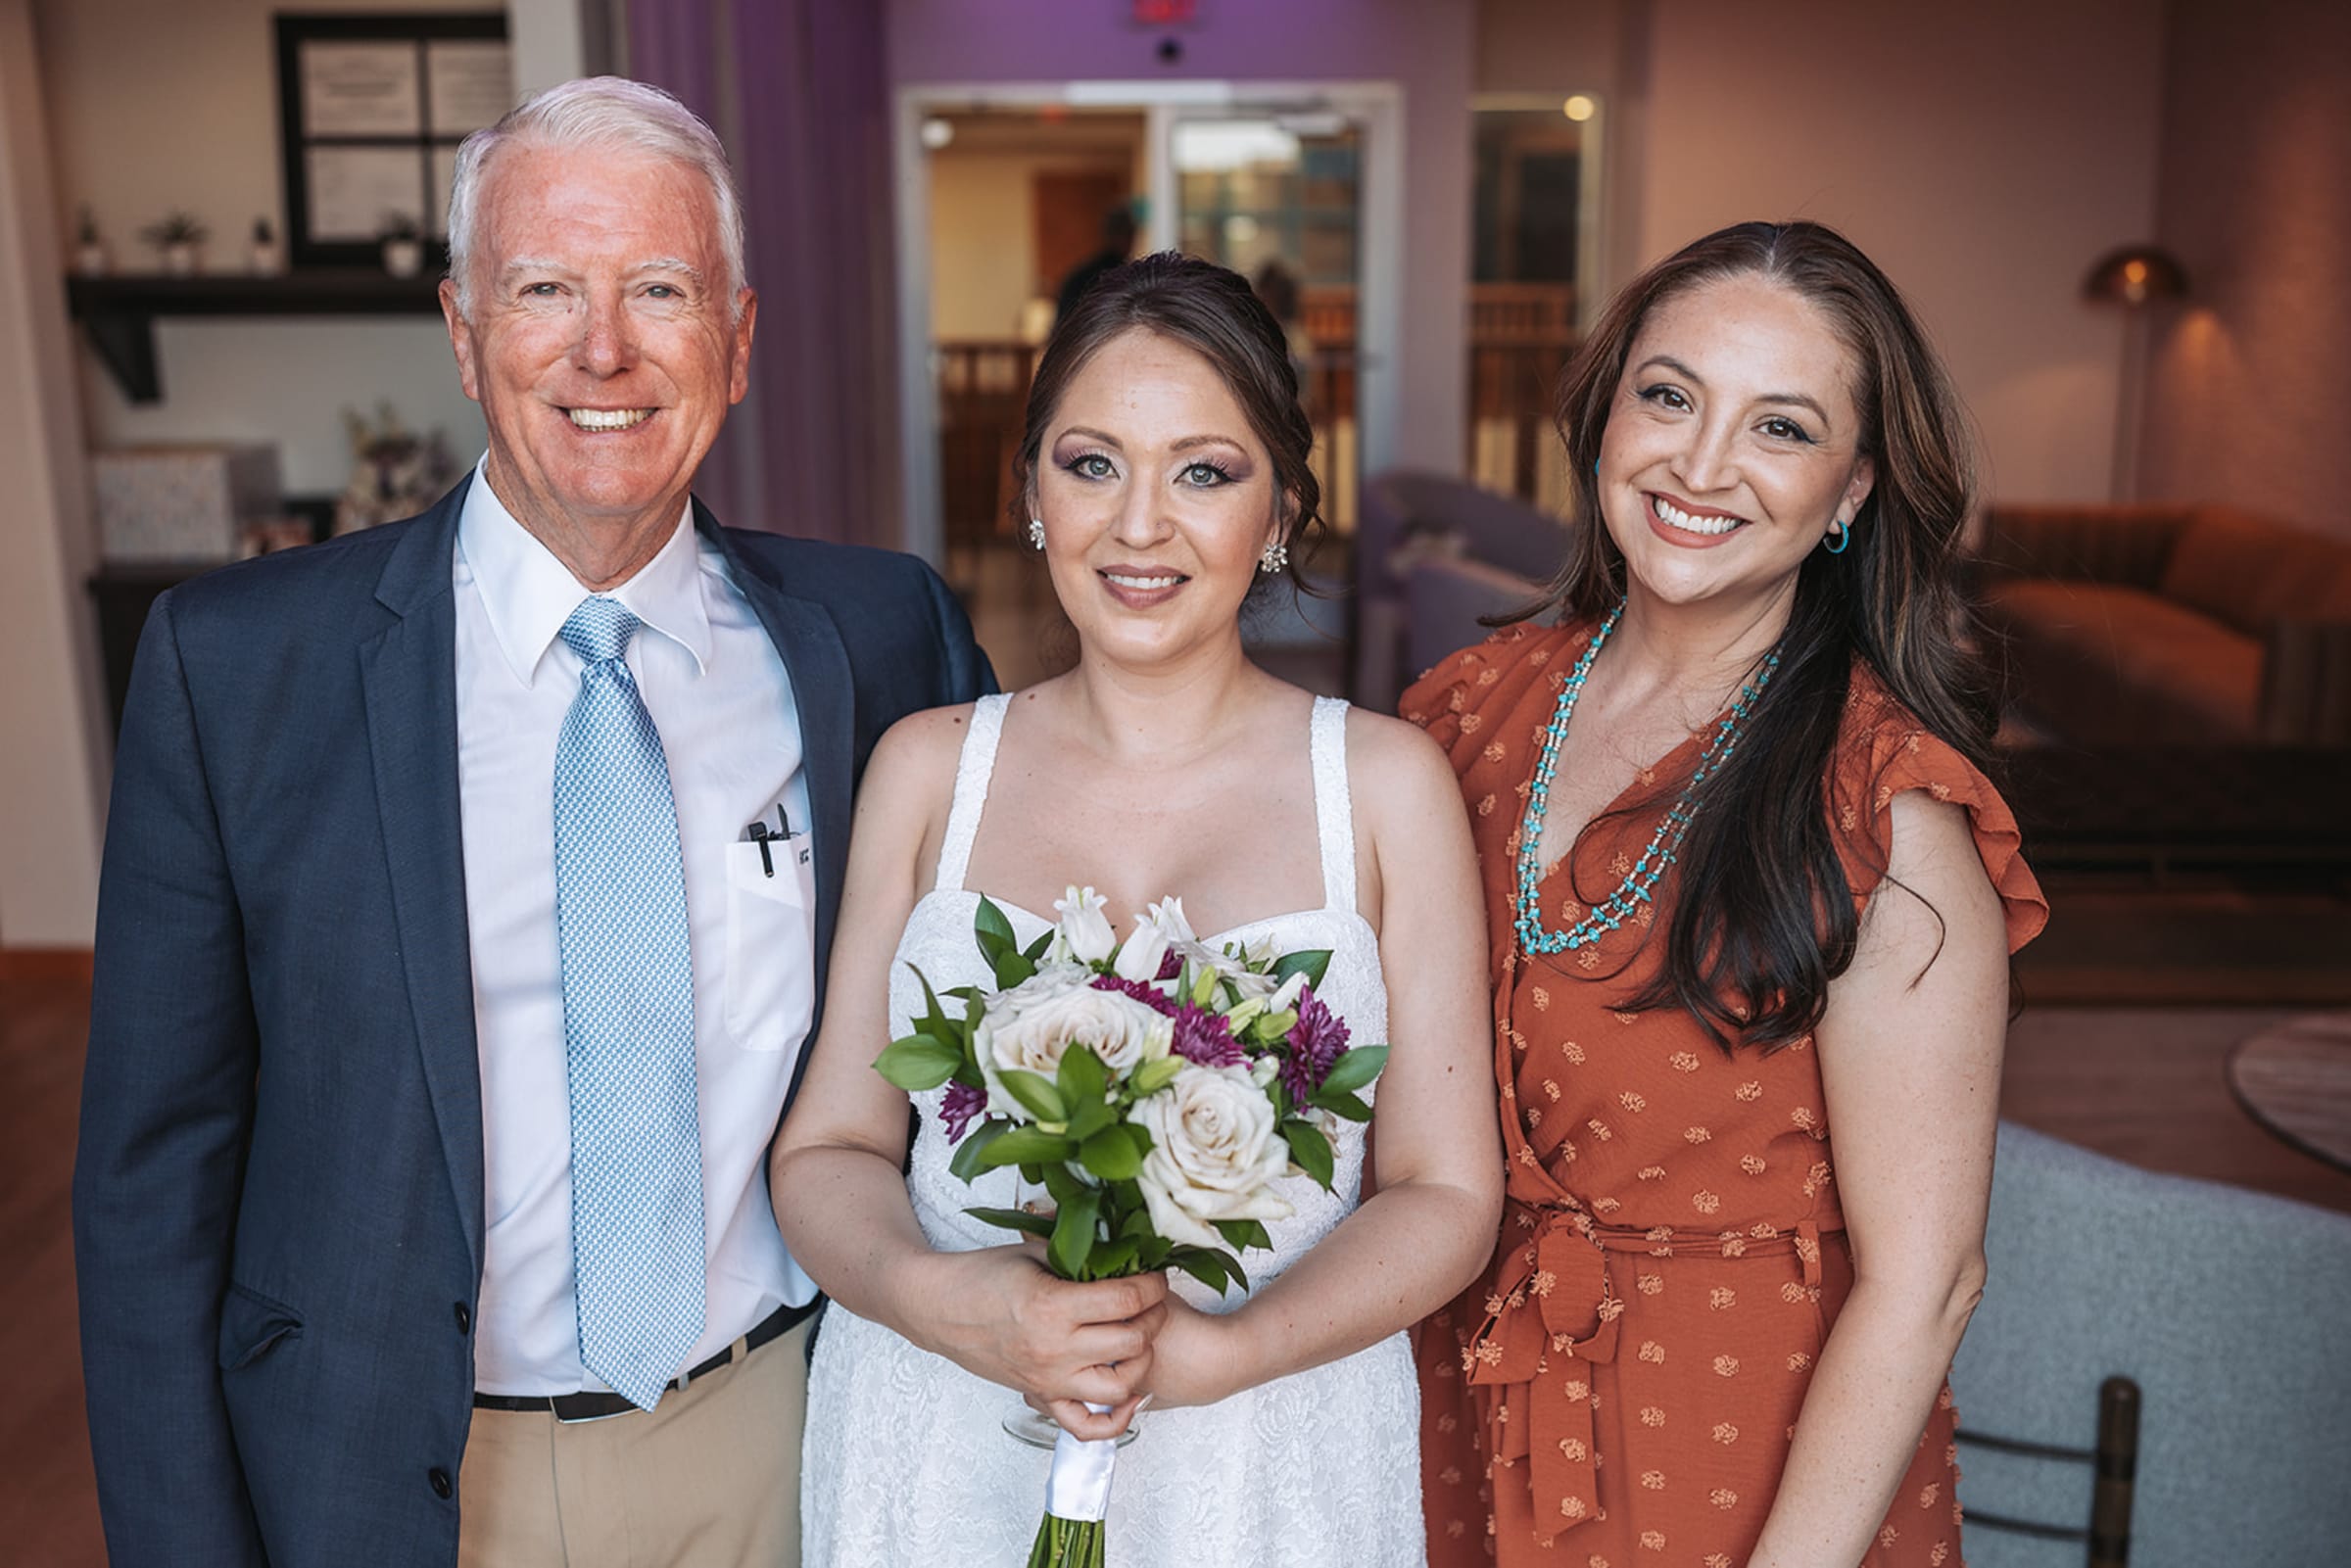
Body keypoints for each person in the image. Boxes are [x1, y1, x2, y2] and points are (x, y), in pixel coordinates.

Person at [72, 77, 990, 1567]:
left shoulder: (882, 639)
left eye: (660, 289)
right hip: (391, 1470)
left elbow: (990, 1018)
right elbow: (149, 1184)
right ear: (462, 331)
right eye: (545, 289)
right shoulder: (235, 668)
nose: (604, 348)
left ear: (741, 338)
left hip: (785, 1438)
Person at [773, 253, 1504, 1564]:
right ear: (1031, 496)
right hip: (942, 1433)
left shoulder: (1386, 787)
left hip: (1270, 1458)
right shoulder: (929, 766)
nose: (1139, 526)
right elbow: (828, 1150)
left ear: (1281, 508)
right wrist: (949, 1302)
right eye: (1092, 464)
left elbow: (1445, 1191)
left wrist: (1230, 1351)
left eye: (1204, 472)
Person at [1407, 220, 2047, 1568]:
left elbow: (1928, 1283)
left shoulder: (1887, 814)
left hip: (1739, 1464)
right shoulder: (1461, 714)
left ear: (1855, 489)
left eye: (1781, 427)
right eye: (1670, 395)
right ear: (1603, 416)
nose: (1700, 466)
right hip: (1456, 1400)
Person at [1054, 203, 1139, 324]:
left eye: (1131, 235)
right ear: (1111, 235)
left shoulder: (1082, 274)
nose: (1130, 241)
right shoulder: (1087, 277)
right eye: (1126, 235)